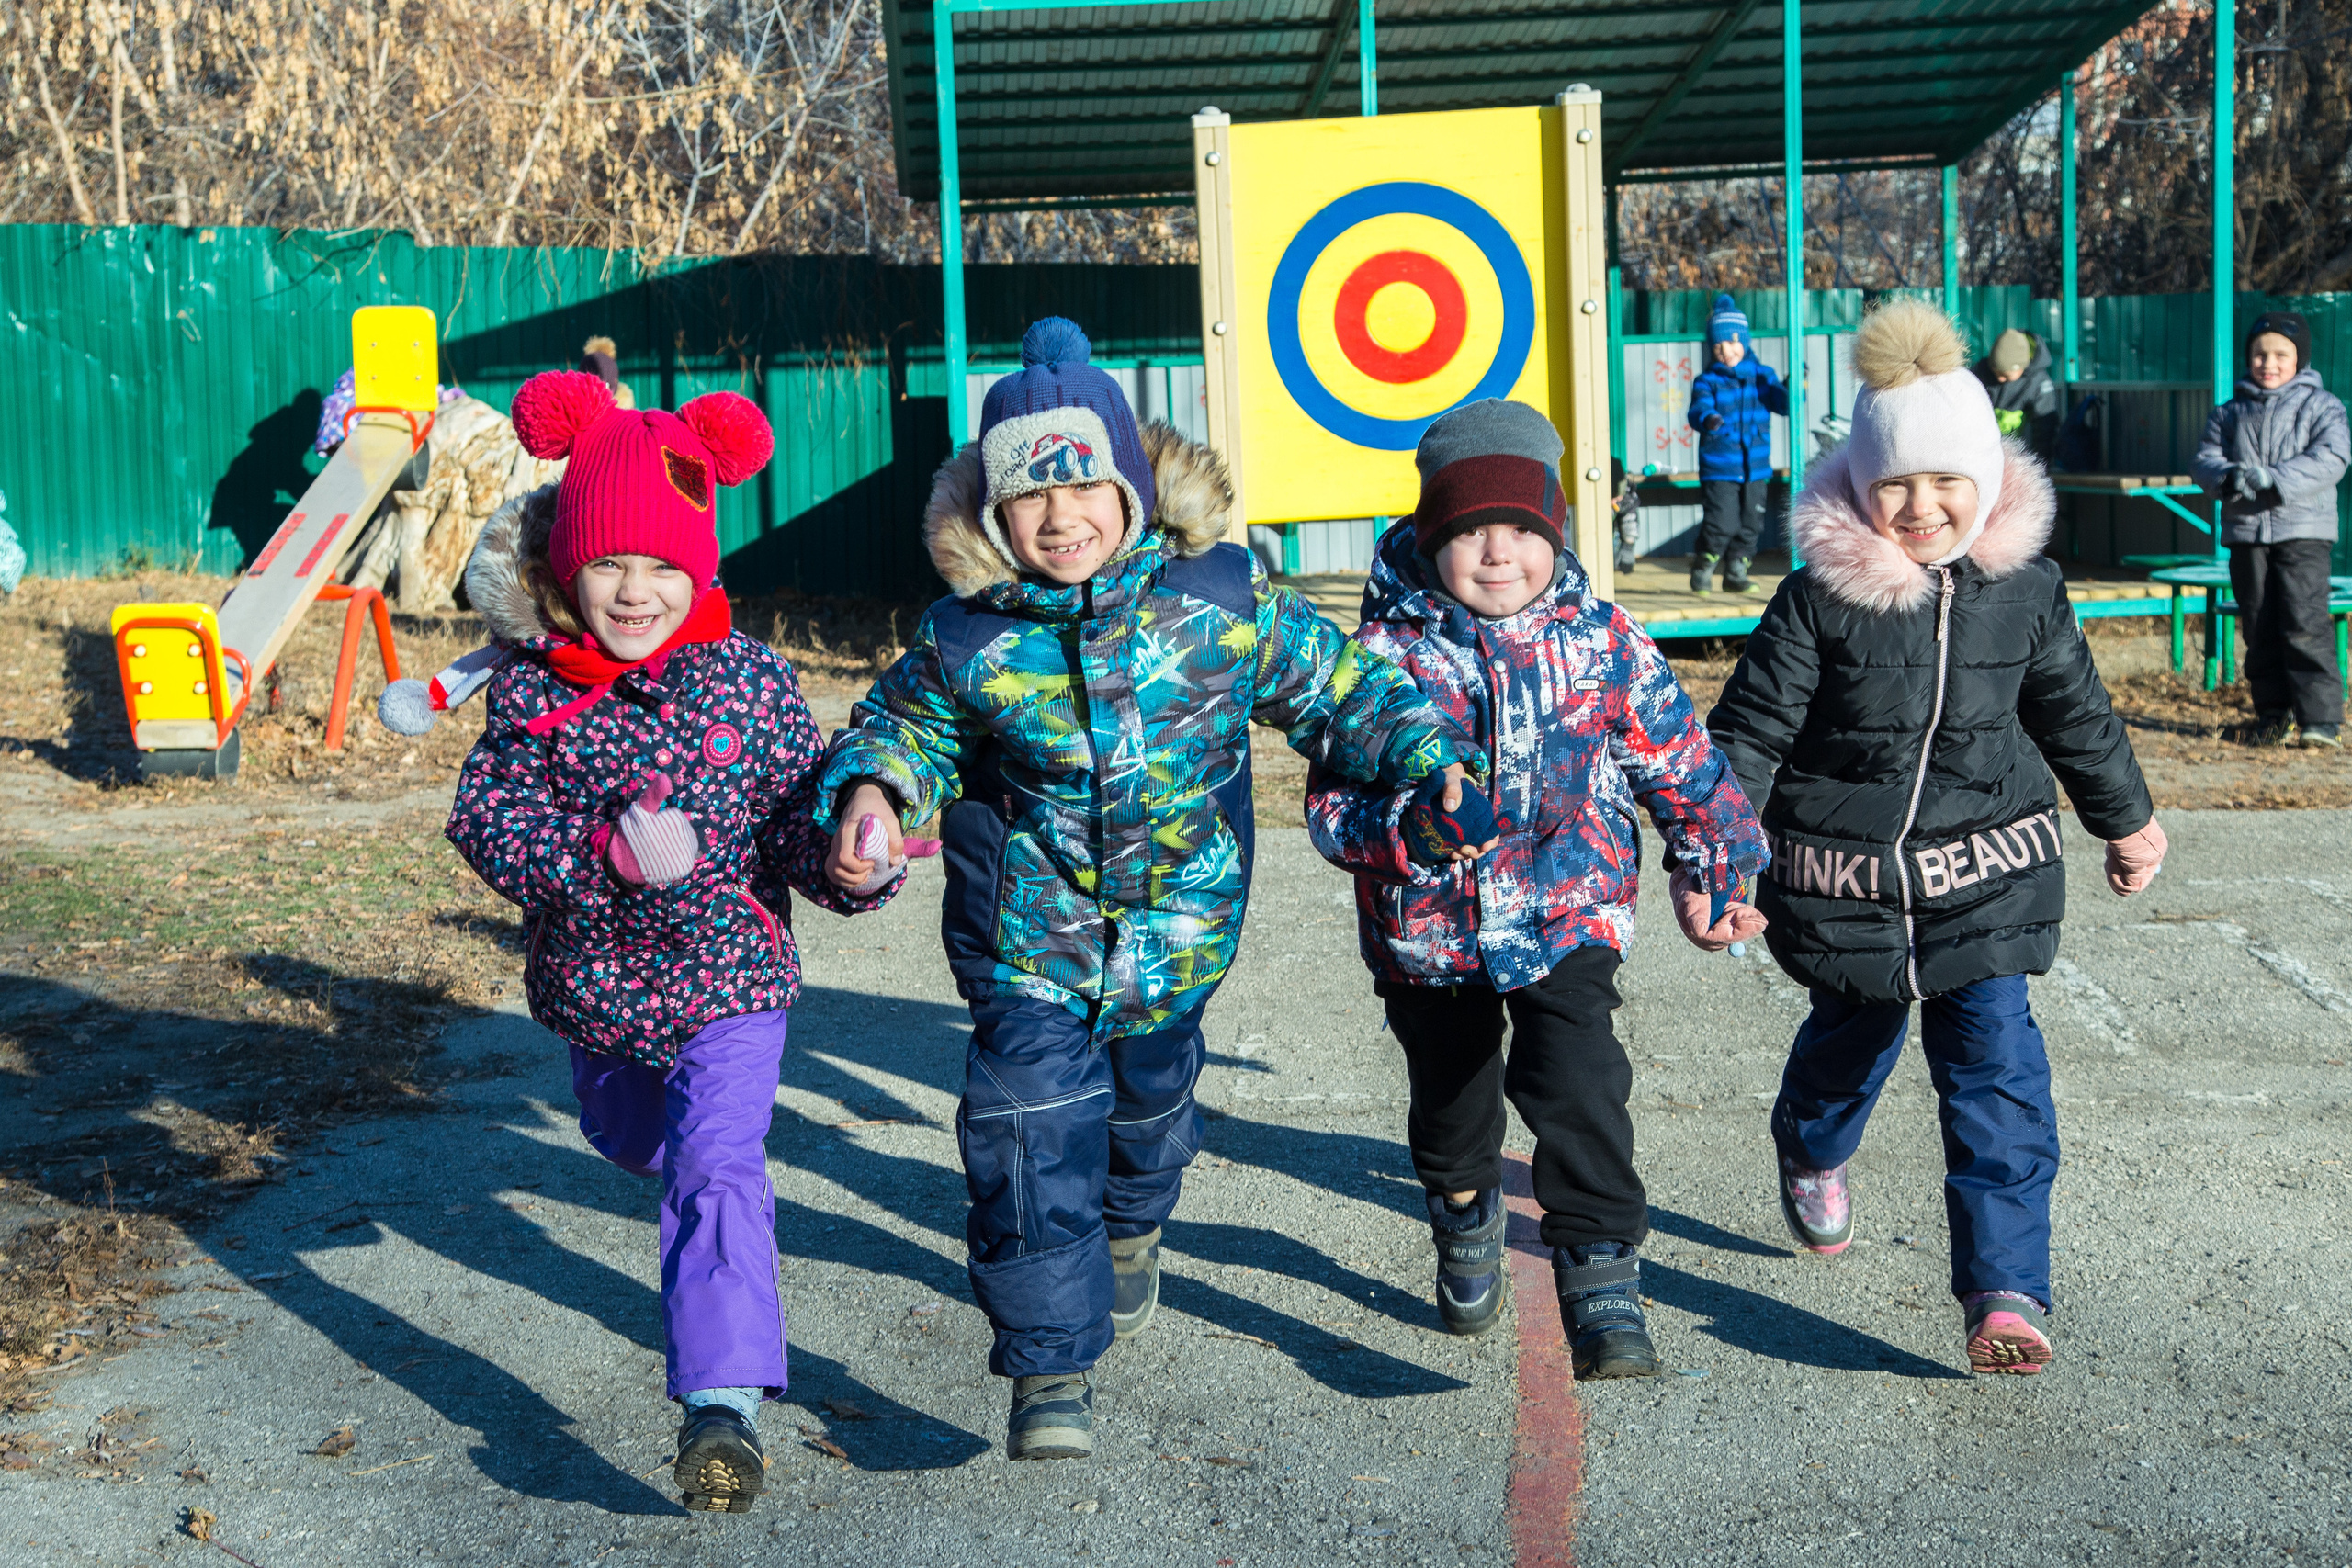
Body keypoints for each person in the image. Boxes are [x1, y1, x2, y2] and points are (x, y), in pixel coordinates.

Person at [811, 319, 1476, 1461]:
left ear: (1129, 490)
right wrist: (873, 793)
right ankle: (1049, 1367)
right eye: (1029, 497)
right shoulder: (968, 639)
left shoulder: (1218, 602)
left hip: (1179, 936)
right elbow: (903, 731)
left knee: (1148, 1110)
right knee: (1025, 1128)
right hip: (1032, 938)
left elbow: (1342, 690)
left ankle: (1131, 1222)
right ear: (993, 514)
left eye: (1083, 488)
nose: (1059, 516)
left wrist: (1428, 760)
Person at [445, 369, 892, 1513]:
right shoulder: (534, 694)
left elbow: (795, 818)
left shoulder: (750, 682)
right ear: (566, 569)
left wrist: (847, 862)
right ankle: (675, 1217)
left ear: (699, 568)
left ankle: (720, 1406)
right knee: (637, 1145)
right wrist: (598, 860)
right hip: (598, 994)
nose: (635, 591)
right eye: (608, 565)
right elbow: (487, 820)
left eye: (660, 565)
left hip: (731, 983)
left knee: (715, 1168)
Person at [1707, 299, 2166, 1377]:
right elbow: (1750, 733)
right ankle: (1810, 1148)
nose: (1921, 506)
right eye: (1895, 486)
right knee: (1849, 1045)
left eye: (1946, 480)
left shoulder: (2027, 591)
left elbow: (2075, 713)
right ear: (1862, 487)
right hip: (1847, 881)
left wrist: (2126, 819)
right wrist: (1715, 860)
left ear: (1987, 479)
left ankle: (2004, 1293)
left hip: (1984, 875)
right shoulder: (1819, 599)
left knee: (1997, 1074)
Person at [1305, 400, 1768, 1378]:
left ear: (1554, 531)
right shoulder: (1381, 661)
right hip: (1429, 934)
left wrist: (1717, 865)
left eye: (1520, 528)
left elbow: (1680, 760)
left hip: (1567, 902)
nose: (1498, 552)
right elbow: (1331, 810)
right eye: (1470, 530)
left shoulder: (1600, 637)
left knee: (1579, 1077)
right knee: (1453, 1103)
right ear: (1429, 536)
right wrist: (1411, 832)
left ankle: (1601, 1267)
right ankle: (1462, 1205)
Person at [2190, 310, 2350, 748]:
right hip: (2247, 534)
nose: (2269, 363)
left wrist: (2274, 478)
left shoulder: (2323, 406)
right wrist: (2227, 477)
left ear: (2301, 359)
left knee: (2304, 620)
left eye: (2282, 354)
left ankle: (2320, 721)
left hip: (2304, 532)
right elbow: (2203, 459)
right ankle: (2273, 717)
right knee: (2258, 624)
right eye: (2260, 354)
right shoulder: (2229, 411)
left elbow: (2332, 458)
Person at [1686, 293, 1788, 594]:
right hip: (1721, 465)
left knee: (1751, 522)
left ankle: (1736, 571)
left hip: (1755, 465)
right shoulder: (1708, 381)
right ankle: (1704, 565)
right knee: (1722, 522)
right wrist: (1709, 418)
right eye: (1717, 346)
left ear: (1744, 341)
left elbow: (1783, 404)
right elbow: (1699, 408)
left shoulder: (1762, 376)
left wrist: (1795, 384)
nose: (1725, 352)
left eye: (1731, 343)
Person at [1973, 328, 2060, 457]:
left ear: (2022, 367)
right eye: (1996, 372)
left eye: (2006, 375)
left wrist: (2041, 462)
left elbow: (2045, 428)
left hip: (2015, 450)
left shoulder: (2037, 381)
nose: (2000, 379)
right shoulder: (1980, 372)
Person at [1611, 455, 1641, 575]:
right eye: (1612, 497)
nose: (1614, 501)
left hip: (1613, 535)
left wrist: (1628, 546)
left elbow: (1630, 519)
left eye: (1617, 497)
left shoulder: (1626, 497)